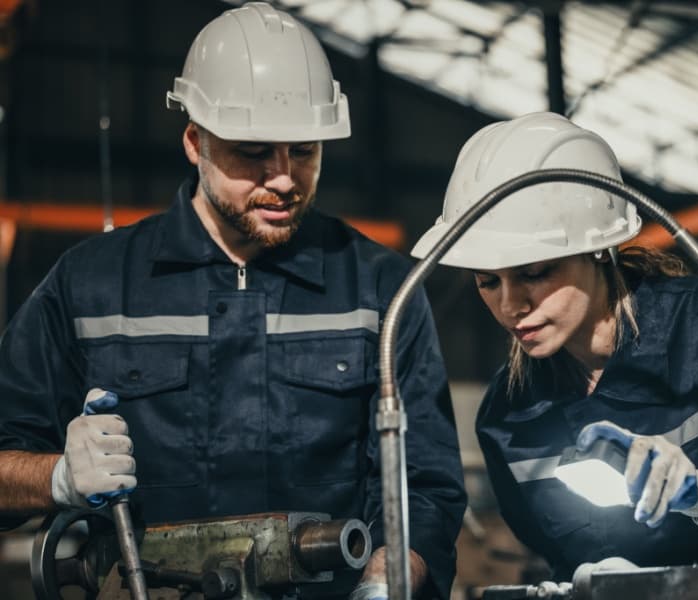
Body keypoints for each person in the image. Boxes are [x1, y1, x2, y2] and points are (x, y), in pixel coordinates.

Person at [0, 4, 465, 599]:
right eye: (253, 151)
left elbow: (426, 488)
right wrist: (58, 477)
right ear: (195, 142)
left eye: (304, 151)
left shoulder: (380, 290)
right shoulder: (89, 287)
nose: (284, 178)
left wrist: (382, 584)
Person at [411, 112, 698, 581]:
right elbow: (555, 557)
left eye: (533, 273)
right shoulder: (508, 418)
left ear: (599, 248)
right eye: (487, 281)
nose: (510, 305)